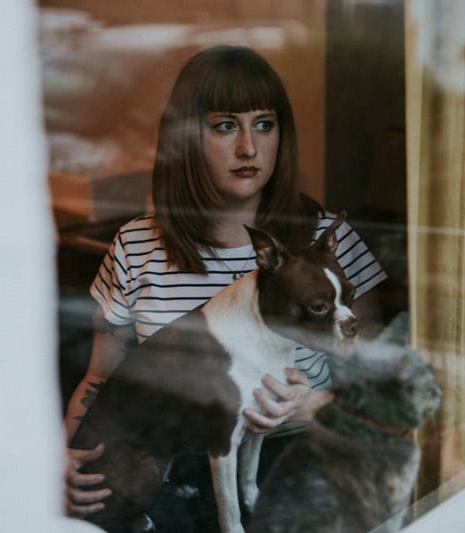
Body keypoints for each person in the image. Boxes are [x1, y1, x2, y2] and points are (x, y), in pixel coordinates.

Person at [63, 45, 386, 531]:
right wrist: (63, 460)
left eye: (264, 124)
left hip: (298, 461)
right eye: (224, 126)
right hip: (172, 472)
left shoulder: (322, 243)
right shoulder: (135, 246)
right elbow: (99, 381)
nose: (248, 149)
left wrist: (314, 405)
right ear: (187, 138)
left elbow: (381, 382)